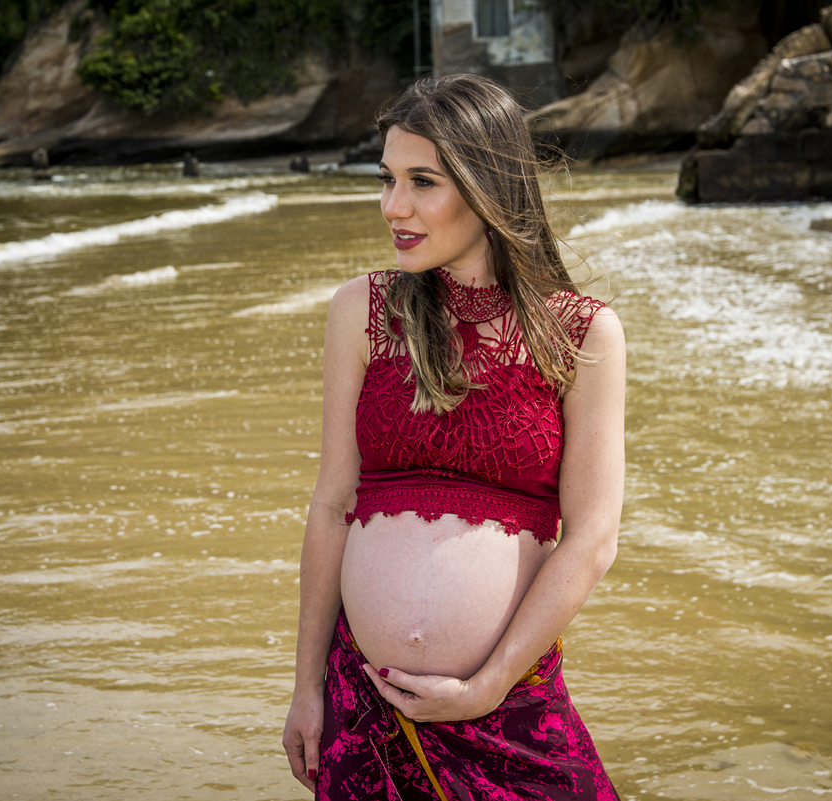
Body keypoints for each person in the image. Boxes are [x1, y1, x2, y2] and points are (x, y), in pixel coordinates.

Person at [282, 74, 626, 800]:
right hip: (364, 706)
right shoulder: (362, 310)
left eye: (421, 182)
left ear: (487, 186)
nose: (392, 207)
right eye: (386, 180)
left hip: (509, 705)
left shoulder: (584, 331)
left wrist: (490, 682)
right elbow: (332, 503)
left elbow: (592, 537)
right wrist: (306, 686)